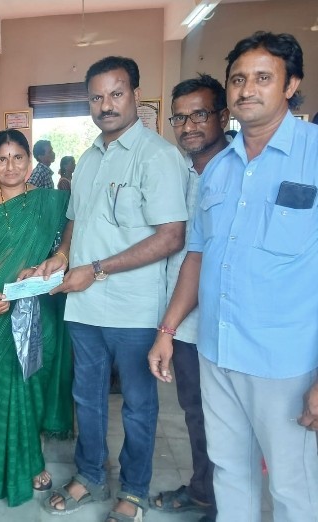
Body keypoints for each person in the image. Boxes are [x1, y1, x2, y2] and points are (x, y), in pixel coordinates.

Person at [148, 32, 318, 522]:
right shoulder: (218, 170)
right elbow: (197, 258)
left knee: (293, 486)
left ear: (291, 85)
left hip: (284, 363)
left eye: (263, 78)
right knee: (229, 473)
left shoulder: (312, 155)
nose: (247, 89)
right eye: (238, 79)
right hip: (217, 352)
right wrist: (167, 331)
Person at [41, 56, 188, 521]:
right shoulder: (87, 159)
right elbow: (75, 221)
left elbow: (171, 236)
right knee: (86, 399)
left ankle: (135, 491)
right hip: (84, 307)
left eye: (116, 94)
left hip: (134, 309)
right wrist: (61, 256)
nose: (106, 105)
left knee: (138, 406)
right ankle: (89, 475)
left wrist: (97, 268)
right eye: (96, 97)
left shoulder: (157, 156)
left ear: (135, 96)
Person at [0, 129, 73, 507]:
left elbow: (69, 233)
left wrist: (57, 258)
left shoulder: (50, 201)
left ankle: (32, 460)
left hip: (37, 309)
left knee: (31, 383)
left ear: (29, 161)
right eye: (2, 159)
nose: (10, 166)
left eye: (18, 158)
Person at [148, 74, 229, 522]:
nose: (189, 126)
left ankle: (224, 502)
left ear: (223, 115)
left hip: (222, 322)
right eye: (179, 118)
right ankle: (204, 492)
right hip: (182, 322)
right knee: (195, 413)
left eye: (200, 114)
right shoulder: (179, 171)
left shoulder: (236, 170)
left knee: (226, 422)